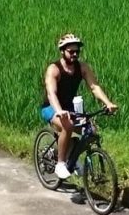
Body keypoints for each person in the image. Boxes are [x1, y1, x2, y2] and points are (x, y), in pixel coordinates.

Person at [41, 33, 118, 179]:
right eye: (71, 52)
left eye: (77, 51)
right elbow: (52, 93)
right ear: (62, 51)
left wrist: (108, 103)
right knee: (67, 125)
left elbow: (94, 87)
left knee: (91, 131)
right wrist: (59, 111)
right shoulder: (54, 69)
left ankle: (72, 158)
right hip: (51, 107)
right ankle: (61, 163)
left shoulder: (82, 67)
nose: (74, 54)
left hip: (69, 107)